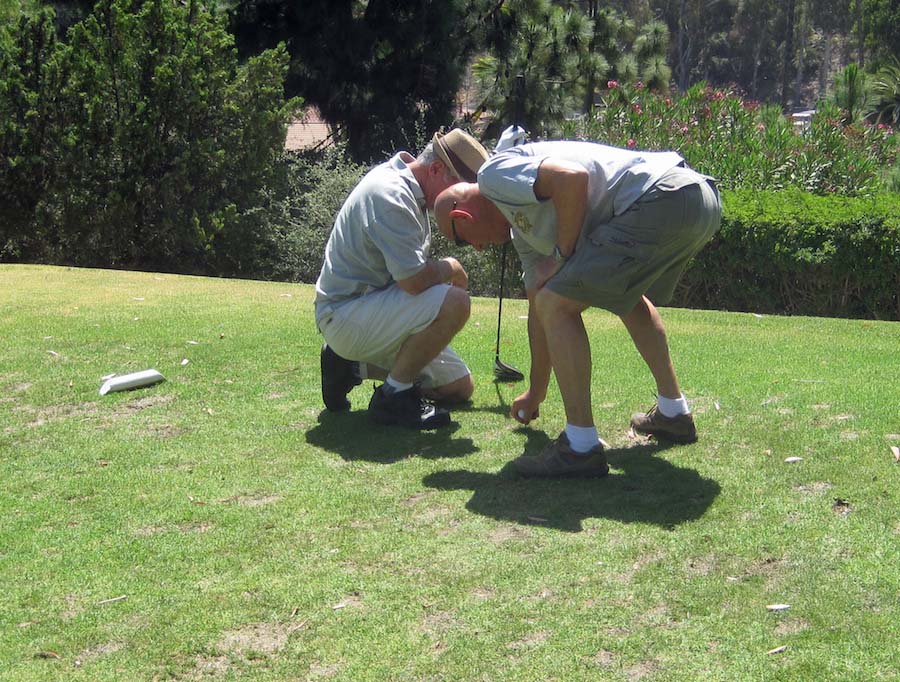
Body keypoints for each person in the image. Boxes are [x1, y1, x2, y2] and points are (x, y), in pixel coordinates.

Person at [434, 136, 721, 475]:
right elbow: (538, 310)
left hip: (663, 196)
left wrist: (561, 255)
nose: (477, 249)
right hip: (695, 198)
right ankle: (674, 414)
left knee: (557, 304)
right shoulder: (524, 234)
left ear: (462, 215)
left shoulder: (493, 175)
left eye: (462, 241)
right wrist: (535, 392)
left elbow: (572, 178)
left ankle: (580, 448)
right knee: (623, 297)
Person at [315, 129, 489, 429]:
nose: (462, 204)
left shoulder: (409, 189)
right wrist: (450, 266)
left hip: (368, 310)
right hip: (344, 314)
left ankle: (350, 366)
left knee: (459, 387)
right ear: (436, 169)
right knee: (456, 302)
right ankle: (393, 397)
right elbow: (414, 282)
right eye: (461, 191)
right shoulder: (391, 195)